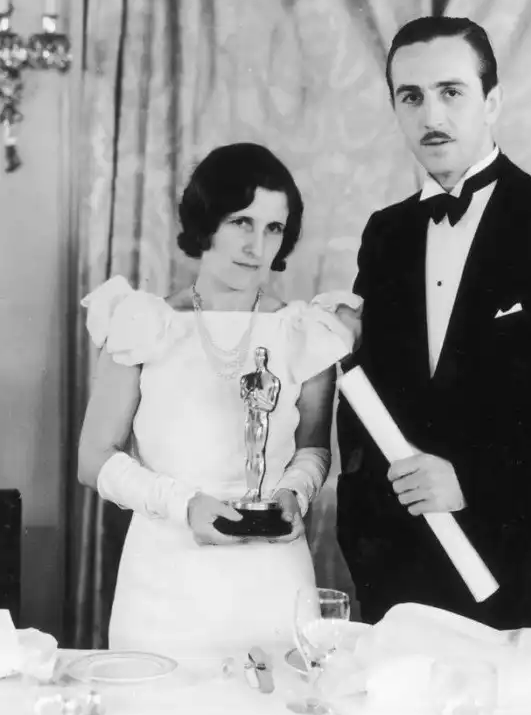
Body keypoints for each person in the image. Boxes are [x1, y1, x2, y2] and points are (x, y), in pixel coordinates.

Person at [336, 16, 531, 632]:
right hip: (398, 582)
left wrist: (472, 482)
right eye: (411, 96)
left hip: (523, 576)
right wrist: (365, 535)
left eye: (451, 92)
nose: (432, 116)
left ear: (492, 101)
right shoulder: (385, 233)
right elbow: (370, 404)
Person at [78, 143, 359, 654]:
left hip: (273, 577)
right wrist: (183, 505)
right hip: (165, 579)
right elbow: (93, 458)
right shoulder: (143, 323)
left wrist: (293, 494)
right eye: (241, 221)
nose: (256, 245)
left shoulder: (304, 331)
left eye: (274, 228)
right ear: (207, 220)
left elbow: (314, 449)